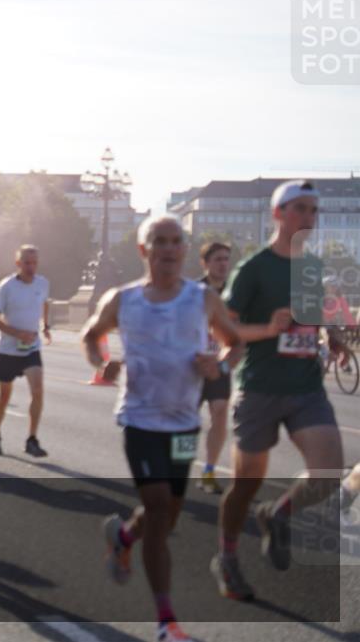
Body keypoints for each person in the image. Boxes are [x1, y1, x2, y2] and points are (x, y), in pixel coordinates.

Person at [83, 214, 241, 642]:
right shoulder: (123, 299)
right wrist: (102, 363)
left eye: (176, 241)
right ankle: (166, 621)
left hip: (184, 425)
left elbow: (235, 342)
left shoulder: (202, 298)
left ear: (184, 250)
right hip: (139, 420)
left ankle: (123, 536)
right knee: (156, 507)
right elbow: (91, 335)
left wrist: (219, 365)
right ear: (144, 249)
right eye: (160, 241)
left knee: (167, 518)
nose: (169, 249)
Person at [213, 180, 351, 602]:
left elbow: (311, 317)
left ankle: (278, 513)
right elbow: (223, 327)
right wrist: (267, 329)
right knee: (245, 484)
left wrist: (332, 338)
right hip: (260, 387)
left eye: (314, 210)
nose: (309, 217)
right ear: (278, 213)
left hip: (306, 385)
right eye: (301, 209)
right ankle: (227, 557)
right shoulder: (253, 268)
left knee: (329, 472)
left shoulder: (311, 267)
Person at [0, 244, 52, 457]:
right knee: (4, 396)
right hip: (7, 350)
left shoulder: (42, 283)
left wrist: (45, 326)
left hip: (32, 348)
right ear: (18, 263)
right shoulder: (6, 286)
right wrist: (17, 334)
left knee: (38, 390)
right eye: (27, 263)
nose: (31, 267)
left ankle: (32, 440)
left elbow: (45, 303)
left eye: (34, 263)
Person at [196, 242, 233, 495]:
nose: (223, 263)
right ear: (205, 263)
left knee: (220, 413)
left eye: (226, 259)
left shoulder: (235, 293)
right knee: (186, 421)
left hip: (220, 364)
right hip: (192, 366)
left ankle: (209, 472)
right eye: (217, 259)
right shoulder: (193, 292)